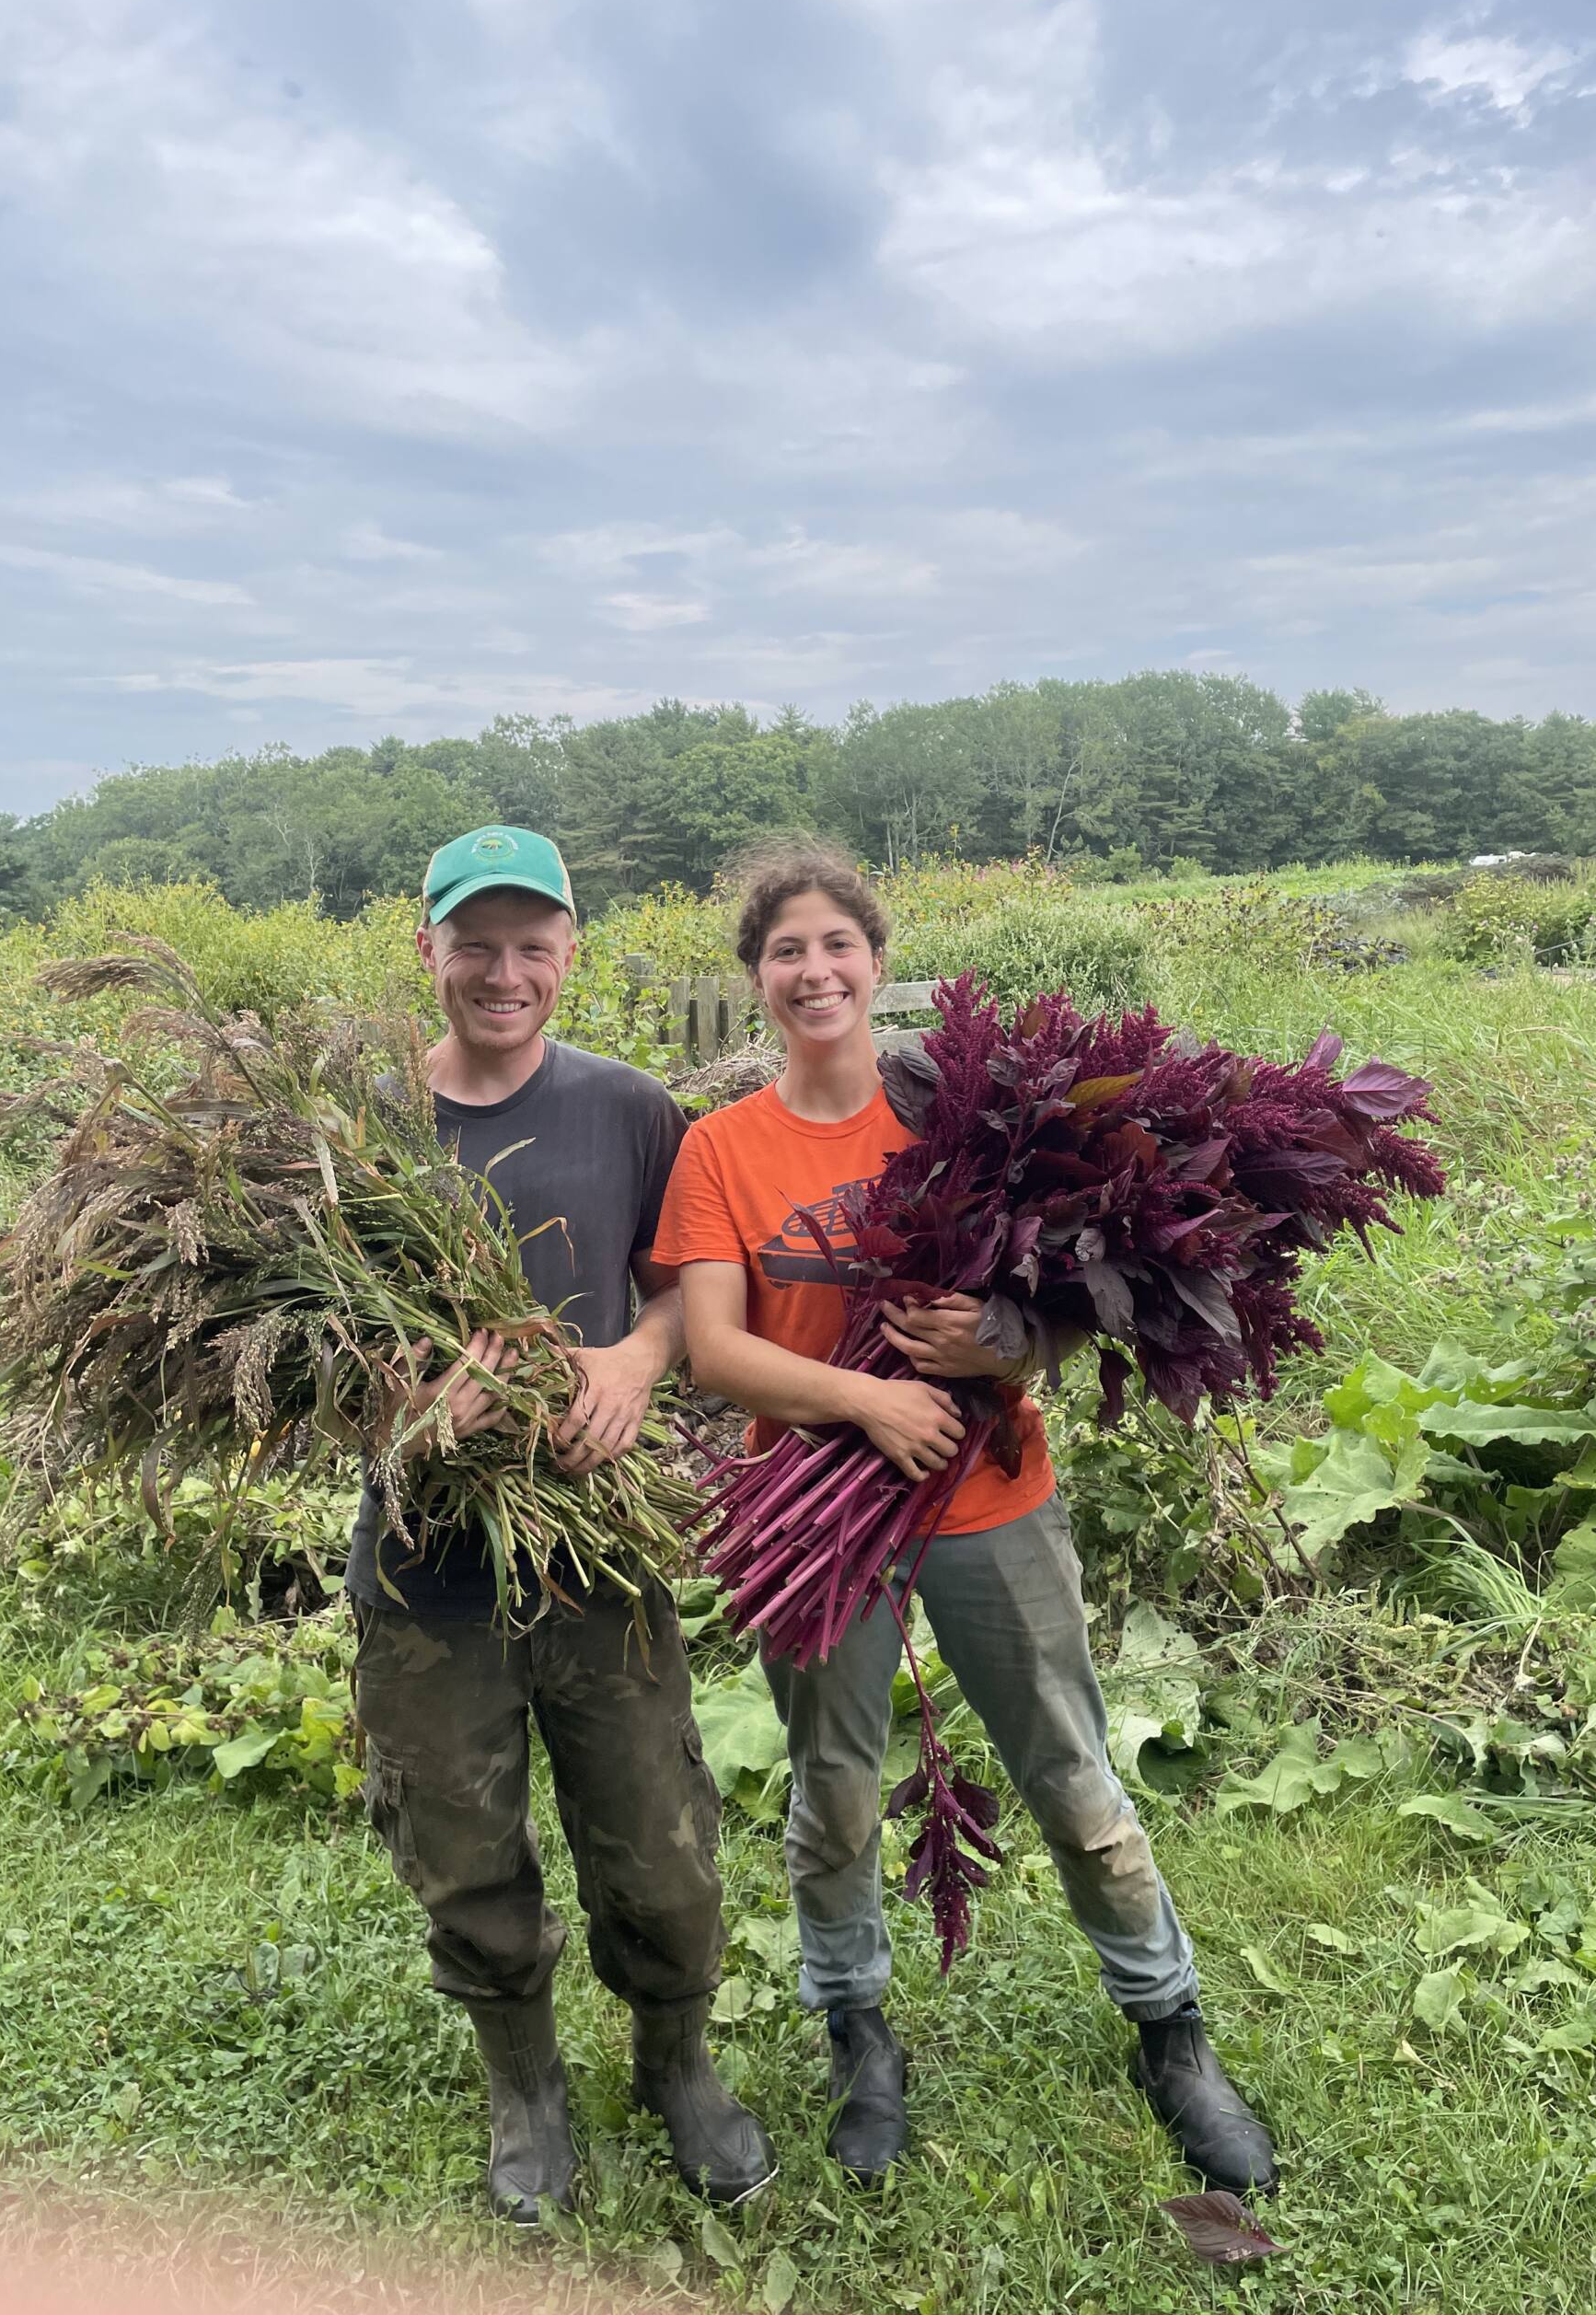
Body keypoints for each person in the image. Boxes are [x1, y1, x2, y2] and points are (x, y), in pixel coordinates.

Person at [653, 840, 1278, 2195]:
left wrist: (1003, 1343)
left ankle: (1170, 2029)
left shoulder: (965, 1115)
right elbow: (711, 1347)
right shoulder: (722, 1148)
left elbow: (1068, 1300)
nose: (813, 971)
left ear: (876, 960)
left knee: (1071, 1772)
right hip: (809, 1513)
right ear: (755, 979)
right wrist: (867, 1406)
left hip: (991, 1499)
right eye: (784, 951)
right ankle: (856, 2030)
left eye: (835, 944)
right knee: (831, 1791)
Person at [346, 825, 772, 2218]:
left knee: (658, 1835)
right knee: (462, 1845)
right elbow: (290, 1364)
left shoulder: (632, 1111)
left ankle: (677, 2062)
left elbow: (684, 1293)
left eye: (535, 943)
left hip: (598, 1549)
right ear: (429, 949)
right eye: (477, 942)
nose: (505, 971)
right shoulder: (351, 1129)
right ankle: (523, 2082)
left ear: (571, 952)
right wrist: (407, 1408)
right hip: (427, 1571)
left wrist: (635, 1361)